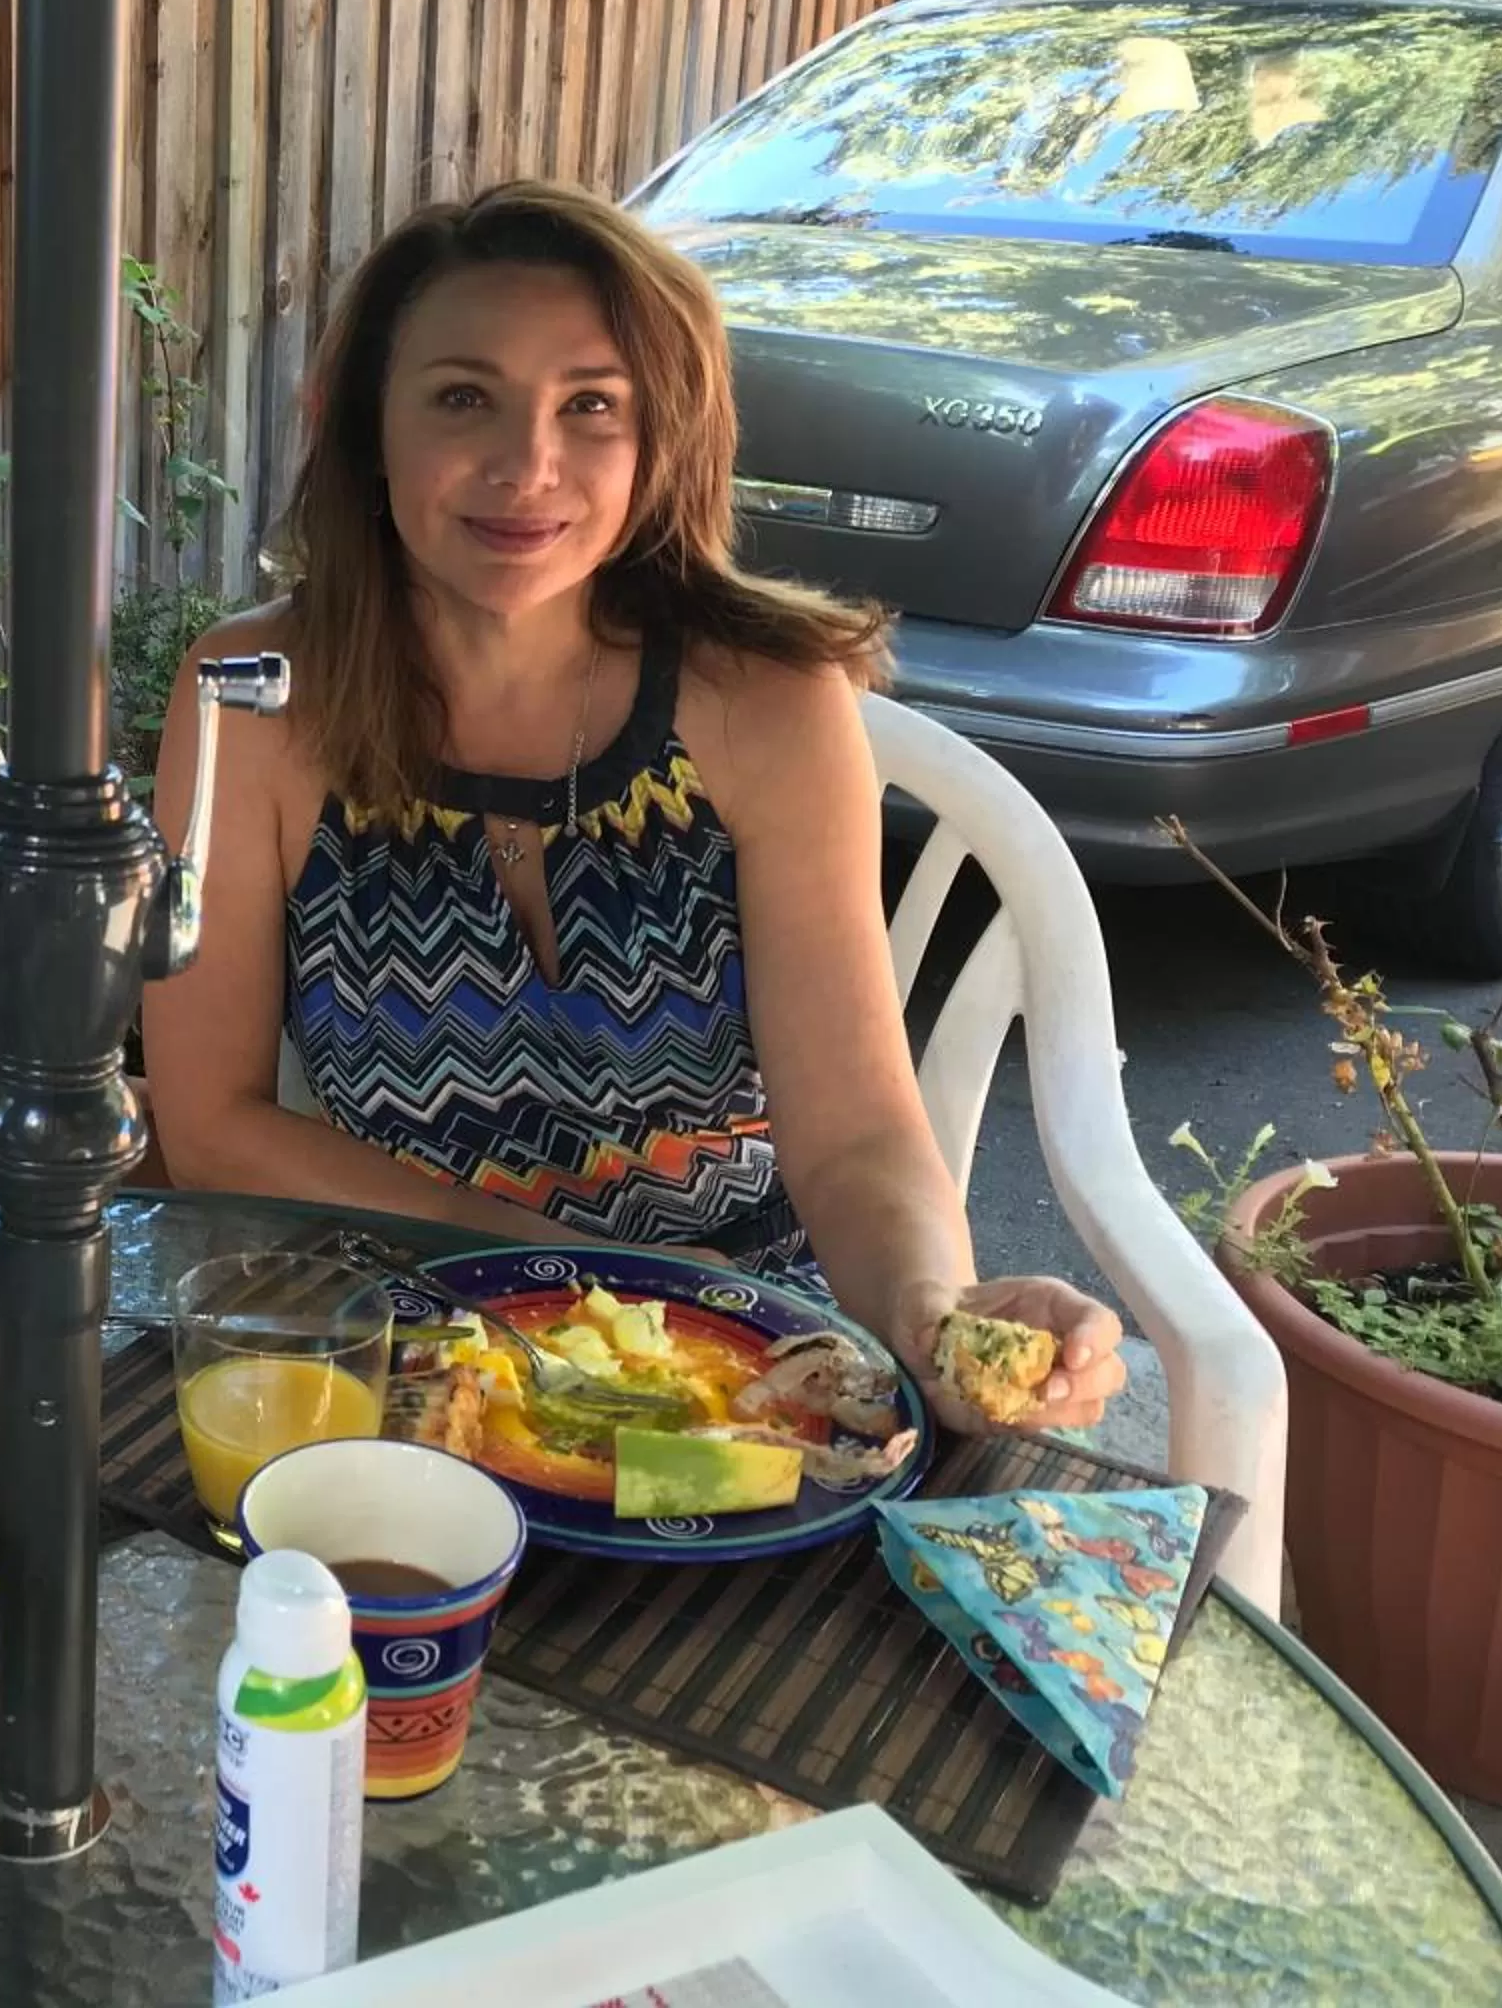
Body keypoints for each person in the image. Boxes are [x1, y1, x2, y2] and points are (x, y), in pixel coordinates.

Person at [142, 182, 1124, 1435]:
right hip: (425, 1339)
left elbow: (858, 1131)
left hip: (757, 1354)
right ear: (358, 429)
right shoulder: (254, 697)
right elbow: (212, 1124)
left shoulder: (767, 699)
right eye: (462, 398)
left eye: (590, 406)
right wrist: (563, 1284)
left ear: (660, 435)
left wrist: (937, 1313)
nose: (527, 464)